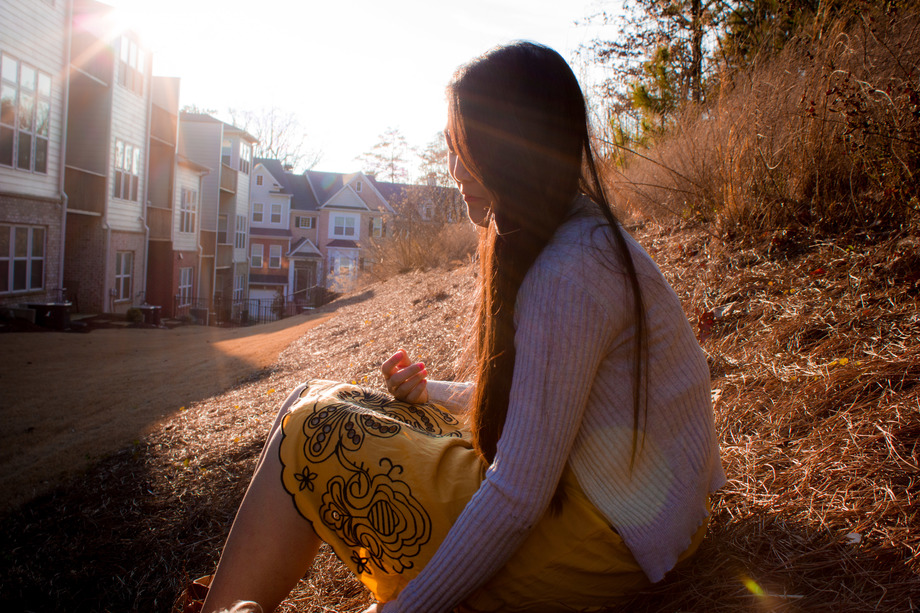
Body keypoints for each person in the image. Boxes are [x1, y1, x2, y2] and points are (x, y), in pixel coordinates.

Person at [199, 41, 725, 613]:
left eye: (467, 148)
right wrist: (435, 394)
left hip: (604, 542)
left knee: (311, 426)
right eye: (452, 148)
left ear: (515, 149)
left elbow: (519, 496)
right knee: (327, 399)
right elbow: (551, 410)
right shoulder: (577, 238)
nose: (454, 170)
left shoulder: (571, 270)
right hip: (639, 515)